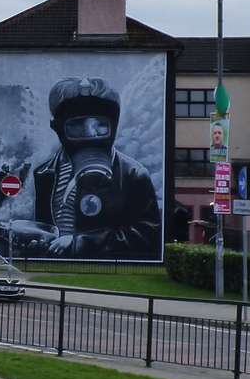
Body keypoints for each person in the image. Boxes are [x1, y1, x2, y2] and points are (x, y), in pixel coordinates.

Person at [21, 77, 161, 257]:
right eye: (77, 125)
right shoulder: (44, 173)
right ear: (57, 128)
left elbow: (146, 235)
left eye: (100, 125)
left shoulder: (133, 175)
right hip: (53, 271)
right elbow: (45, 227)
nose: (90, 134)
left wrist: (82, 243)